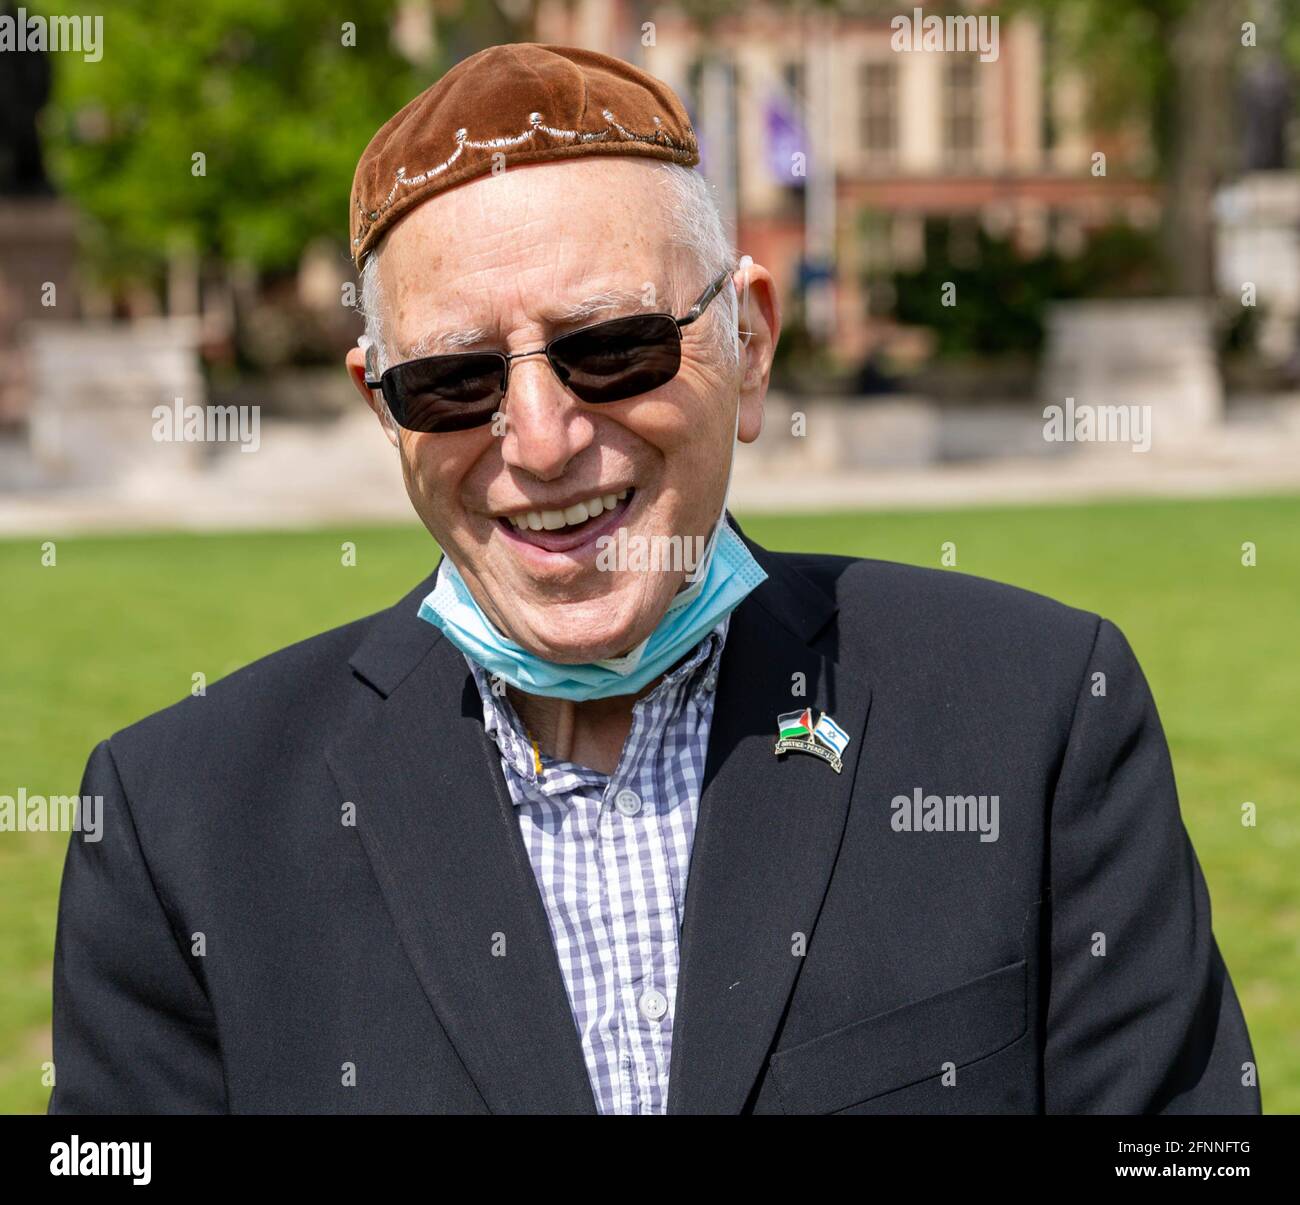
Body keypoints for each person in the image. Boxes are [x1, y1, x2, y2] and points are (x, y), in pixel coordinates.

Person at [49, 43, 1258, 1115]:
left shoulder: (1032, 712)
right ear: (385, 409)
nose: (539, 437)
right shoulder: (180, 824)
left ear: (748, 340)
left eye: (611, 348)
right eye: (455, 379)